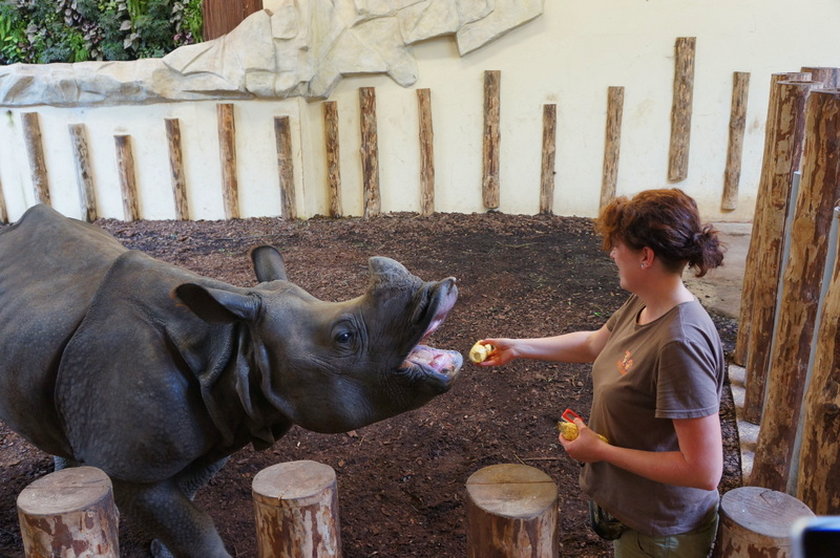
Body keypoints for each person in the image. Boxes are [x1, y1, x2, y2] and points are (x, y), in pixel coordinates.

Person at [477, 188, 726, 558]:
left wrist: (602, 451)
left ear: (646, 256)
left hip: (659, 533)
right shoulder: (647, 303)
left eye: (618, 245)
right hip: (636, 517)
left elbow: (703, 471)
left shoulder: (679, 344)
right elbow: (597, 344)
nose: (611, 253)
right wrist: (520, 346)